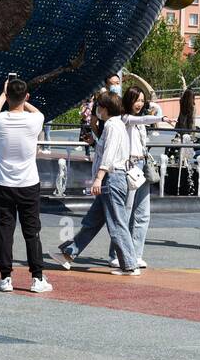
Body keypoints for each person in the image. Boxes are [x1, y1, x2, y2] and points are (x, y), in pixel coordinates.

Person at [57, 91, 140, 275]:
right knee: (92, 222)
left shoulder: (111, 125)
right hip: (114, 178)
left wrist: (99, 178)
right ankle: (68, 254)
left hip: (111, 179)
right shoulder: (117, 124)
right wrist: (94, 143)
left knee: (117, 224)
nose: (97, 110)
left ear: (105, 108)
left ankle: (129, 264)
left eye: (98, 107)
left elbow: (110, 155)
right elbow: (111, 151)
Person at [0, 77, 51, 292]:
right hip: (28, 183)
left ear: (7, 97)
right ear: (26, 97)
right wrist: (24, 100)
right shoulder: (35, 120)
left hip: (2, 183)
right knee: (32, 231)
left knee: (5, 230)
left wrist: (3, 95)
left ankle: (5, 278)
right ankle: (37, 278)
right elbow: (37, 111)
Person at [111, 86, 167, 269]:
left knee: (143, 213)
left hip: (143, 166)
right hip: (130, 167)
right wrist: (161, 118)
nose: (139, 104)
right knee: (125, 213)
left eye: (142, 100)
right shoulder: (126, 119)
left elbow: (143, 118)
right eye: (136, 100)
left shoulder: (139, 122)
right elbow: (142, 118)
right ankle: (118, 254)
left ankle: (136, 253)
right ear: (128, 101)